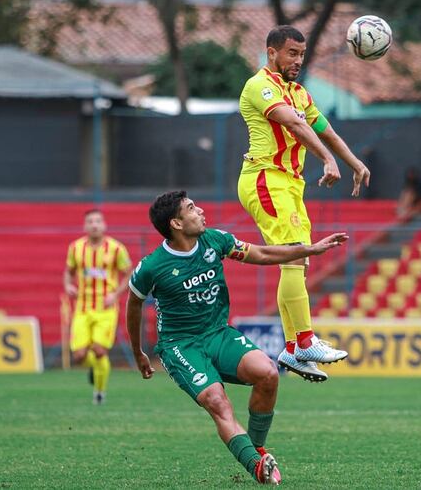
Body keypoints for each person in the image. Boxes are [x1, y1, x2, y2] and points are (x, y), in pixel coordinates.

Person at [126, 191, 349, 485]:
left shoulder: (215, 240)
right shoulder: (152, 266)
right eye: (192, 208)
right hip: (181, 346)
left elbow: (263, 253)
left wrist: (309, 250)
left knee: (268, 374)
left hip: (218, 334)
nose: (201, 210)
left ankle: (256, 452)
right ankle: (257, 467)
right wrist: (138, 352)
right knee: (218, 401)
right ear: (176, 224)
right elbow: (134, 303)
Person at [237, 25, 370, 382]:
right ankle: (305, 340)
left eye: (301, 53)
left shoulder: (299, 92)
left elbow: (324, 129)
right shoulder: (260, 86)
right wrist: (327, 160)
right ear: (272, 53)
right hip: (265, 178)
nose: (298, 60)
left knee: (297, 260)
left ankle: (295, 348)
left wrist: (353, 162)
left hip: (289, 184)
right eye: (292, 53)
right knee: (295, 253)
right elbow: (294, 125)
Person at [63, 209, 132, 405]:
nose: (94, 225)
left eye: (98, 221)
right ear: (85, 226)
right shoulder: (75, 248)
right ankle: (96, 369)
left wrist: (116, 294)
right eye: (90, 222)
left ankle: (99, 393)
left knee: (100, 350)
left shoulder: (116, 249)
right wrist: (68, 285)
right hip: (82, 308)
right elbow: (68, 272)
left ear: (104, 225)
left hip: (106, 309)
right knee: (79, 355)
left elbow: (128, 273)